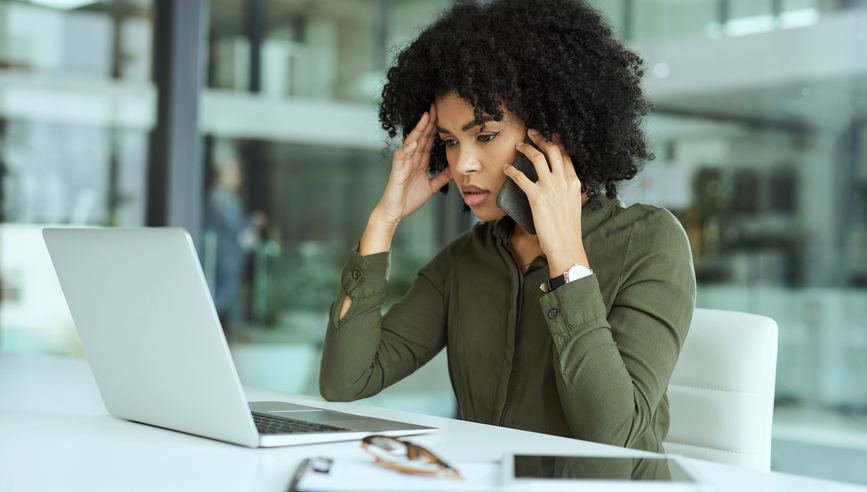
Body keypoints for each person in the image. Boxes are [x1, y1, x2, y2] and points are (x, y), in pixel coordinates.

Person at [319, 0, 695, 475]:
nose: (462, 164)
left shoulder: (649, 241)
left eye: (487, 134)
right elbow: (345, 381)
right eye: (452, 141)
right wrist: (383, 220)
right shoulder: (463, 261)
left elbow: (614, 435)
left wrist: (567, 260)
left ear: (551, 134)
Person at [203, 140, 267, 329]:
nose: (238, 176)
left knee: (232, 300)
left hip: (230, 257)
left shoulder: (227, 196)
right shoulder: (220, 197)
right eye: (233, 171)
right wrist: (253, 221)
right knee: (223, 299)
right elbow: (235, 226)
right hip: (224, 258)